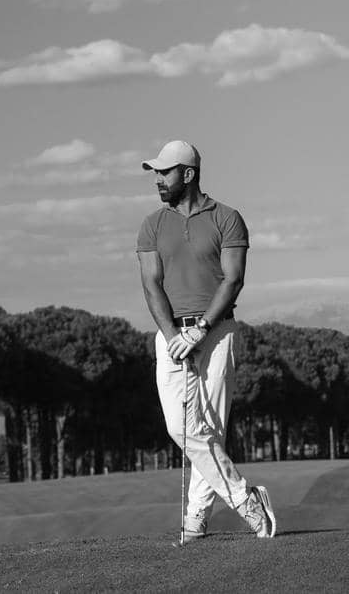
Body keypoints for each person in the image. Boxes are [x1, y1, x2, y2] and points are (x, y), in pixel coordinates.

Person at [136, 139, 277, 541]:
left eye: (165, 172)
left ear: (189, 174)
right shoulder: (152, 225)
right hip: (171, 336)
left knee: (210, 426)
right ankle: (244, 498)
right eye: (156, 173)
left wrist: (200, 330)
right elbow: (150, 284)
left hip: (217, 333)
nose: (158, 180)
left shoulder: (227, 218)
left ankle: (196, 514)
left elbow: (233, 280)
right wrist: (173, 335)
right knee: (179, 427)